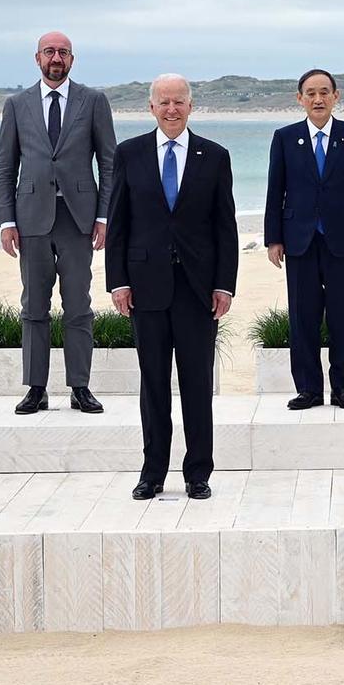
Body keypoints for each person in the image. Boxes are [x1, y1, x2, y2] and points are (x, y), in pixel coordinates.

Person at [105, 75, 238, 501]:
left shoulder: (214, 157)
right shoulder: (129, 154)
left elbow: (225, 228)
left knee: (198, 384)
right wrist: (118, 282)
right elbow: (119, 223)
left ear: (191, 106)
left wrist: (224, 285)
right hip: (146, 289)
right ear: (151, 108)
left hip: (199, 290)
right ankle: (153, 473)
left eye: (179, 101)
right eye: (164, 102)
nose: (171, 109)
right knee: (154, 384)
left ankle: (198, 473)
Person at [0, 31, 118, 416]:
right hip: (31, 219)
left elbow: (109, 162)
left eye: (63, 52)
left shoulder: (93, 101)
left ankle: (80, 387)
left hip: (78, 219)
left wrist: (103, 216)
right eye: (49, 51)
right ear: (37, 58)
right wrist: (6, 221)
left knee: (78, 305)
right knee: (33, 306)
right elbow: (5, 166)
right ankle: (36, 388)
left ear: (72, 59)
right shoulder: (16, 104)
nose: (56, 58)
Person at [264, 68, 344, 411]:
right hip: (298, 240)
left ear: (335, 96)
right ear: (300, 99)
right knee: (302, 318)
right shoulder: (284, 138)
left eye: (324, 92)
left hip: (342, 240)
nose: (318, 98)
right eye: (310, 93)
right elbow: (275, 192)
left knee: (343, 316)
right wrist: (273, 239)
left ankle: (343, 388)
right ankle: (308, 389)